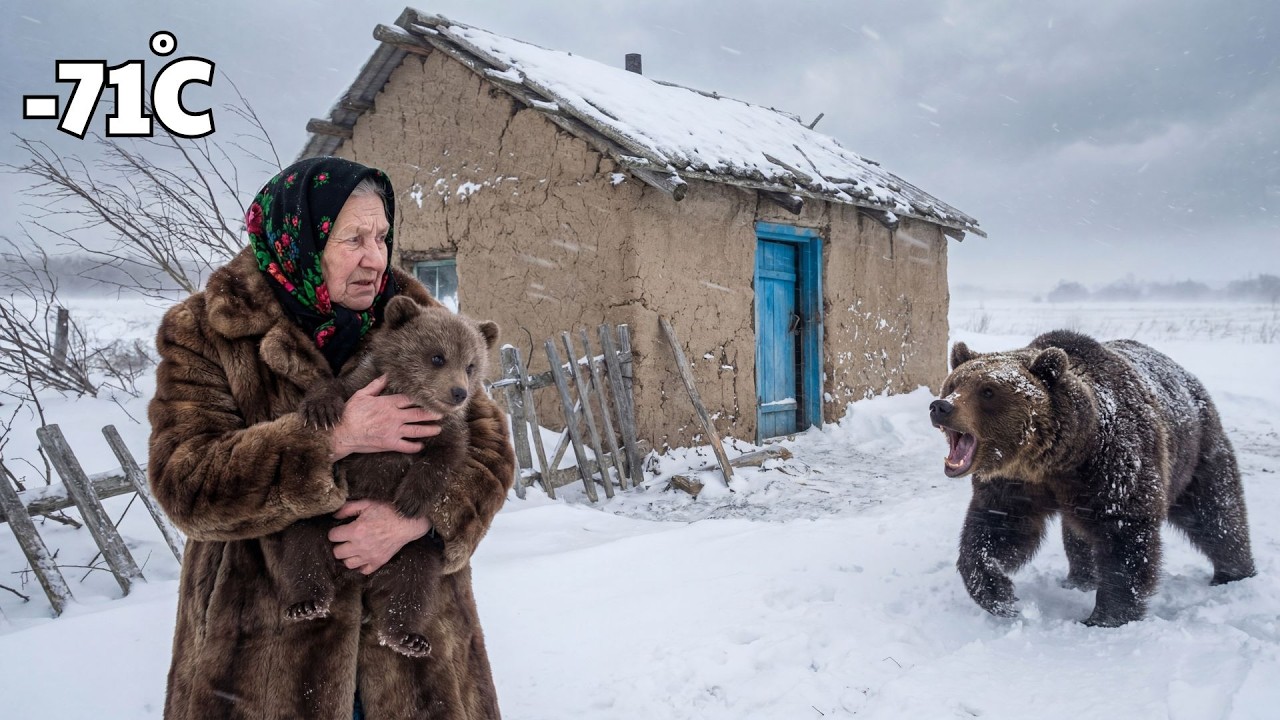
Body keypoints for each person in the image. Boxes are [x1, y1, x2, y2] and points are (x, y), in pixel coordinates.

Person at [147, 156, 514, 720]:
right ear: (301, 239)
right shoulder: (209, 331)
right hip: (263, 660)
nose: (375, 258)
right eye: (353, 239)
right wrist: (329, 439)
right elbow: (187, 484)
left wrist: (421, 520)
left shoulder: (420, 319)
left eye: (382, 236)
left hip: (414, 658)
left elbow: (489, 452)